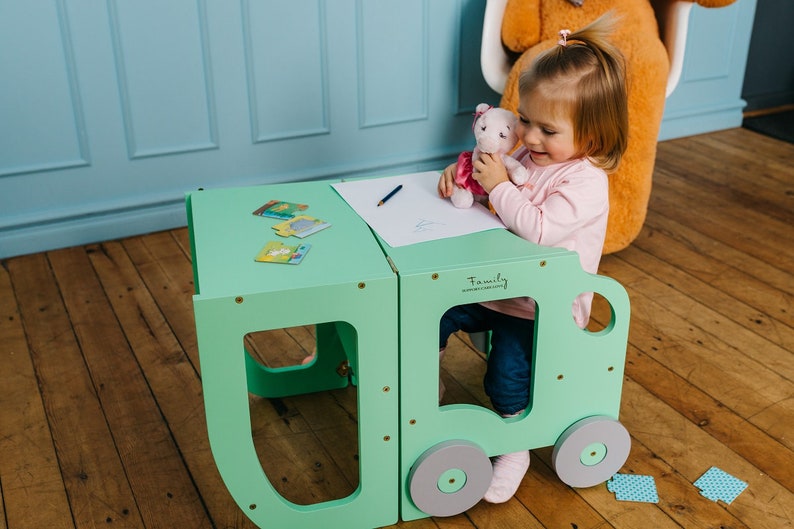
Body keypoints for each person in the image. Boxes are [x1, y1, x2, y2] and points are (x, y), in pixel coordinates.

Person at [436, 14, 628, 504]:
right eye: (525, 119)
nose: (531, 137)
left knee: (507, 376)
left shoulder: (585, 182)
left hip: (543, 308)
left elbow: (538, 228)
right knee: (432, 317)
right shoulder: (528, 158)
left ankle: (515, 445)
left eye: (548, 129)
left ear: (592, 138)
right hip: (499, 288)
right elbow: (490, 199)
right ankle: (425, 389)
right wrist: (463, 180)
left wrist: (499, 186)